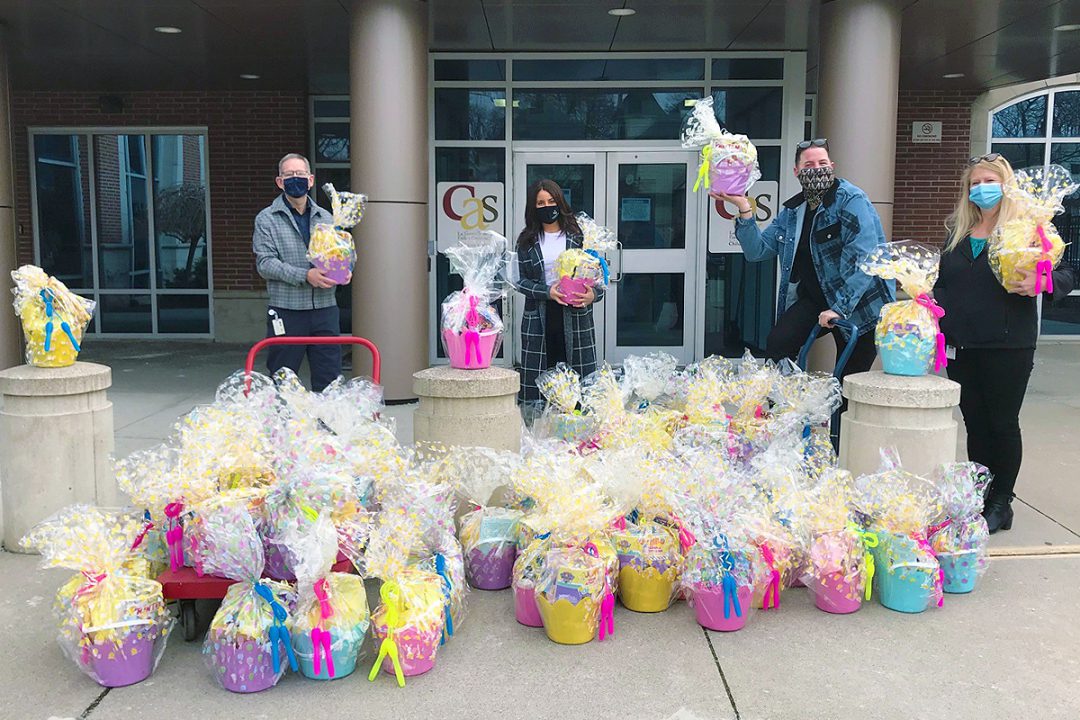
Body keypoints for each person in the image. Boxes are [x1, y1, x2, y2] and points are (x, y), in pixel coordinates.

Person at [934, 154, 1076, 533]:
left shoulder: (1028, 229)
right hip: (961, 345)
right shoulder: (958, 231)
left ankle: (1002, 502)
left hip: (1008, 343)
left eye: (989, 181)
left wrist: (1043, 282)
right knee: (975, 423)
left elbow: (1063, 272)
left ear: (1006, 186)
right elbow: (943, 282)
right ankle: (980, 494)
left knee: (1001, 423)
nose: (981, 188)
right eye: (974, 183)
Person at [711, 139, 894, 381]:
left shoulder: (851, 200)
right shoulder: (793, 212)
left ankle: (839, 417)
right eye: (809, 164)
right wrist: (745, 208)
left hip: (859, 303)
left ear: (832, 166)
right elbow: (757, 251)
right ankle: (784, 408)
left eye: (822, 163)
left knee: (848, 381)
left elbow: (866, 258)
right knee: (778, 344)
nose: (817, 169)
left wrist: (839, 308)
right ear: (797, 172)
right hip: (816, 299)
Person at [252, 153, 350, 392]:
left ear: (311, 179)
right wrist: (304, 276)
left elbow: (343, 252)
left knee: (329, 378)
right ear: (279, 182)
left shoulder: (326, 218)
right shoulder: (267, 219)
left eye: (300, 174)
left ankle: (327, 426)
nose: (295, 179)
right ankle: (285, 426)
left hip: (325, 310)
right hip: (288, 311)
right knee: (283, 378)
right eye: (289, 175)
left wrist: (346, 270)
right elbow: (265, 263)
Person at [515, 180, 603, 414]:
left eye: (551, 201)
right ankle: (538, 427)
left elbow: (600, 276)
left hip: (575, 317)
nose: (547, 206)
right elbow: (520, 281)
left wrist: (593, 295)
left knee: (578, 379)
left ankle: (577, 426)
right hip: (540, 318)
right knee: (541, 376)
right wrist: (547, 291)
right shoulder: (527, 240)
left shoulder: (579, 235)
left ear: (560, 202)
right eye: (541, 203)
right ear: (533, 208)